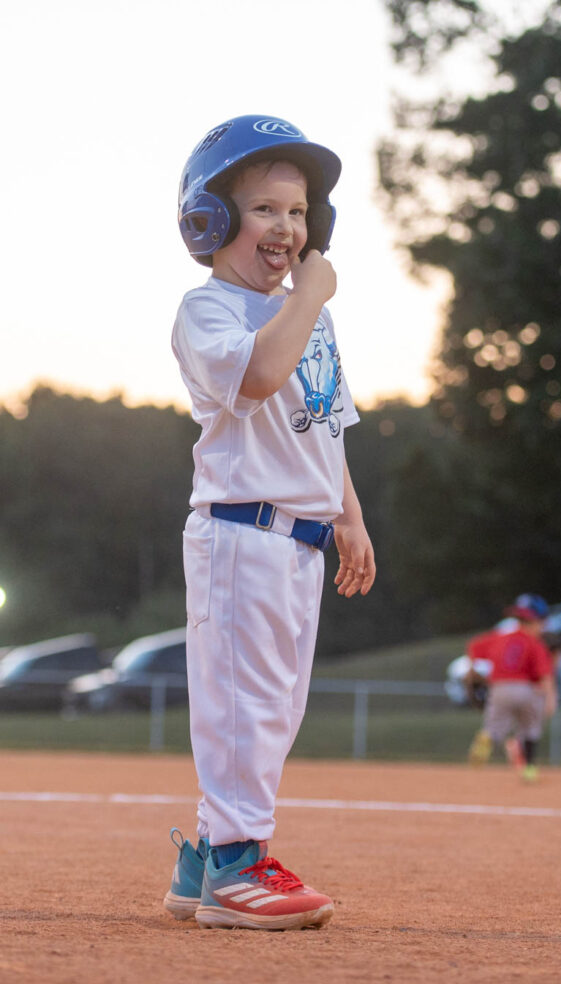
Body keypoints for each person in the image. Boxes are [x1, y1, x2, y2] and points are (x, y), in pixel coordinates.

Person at [163, 115, 375, 931]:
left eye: (297, 211)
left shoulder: (307, 316)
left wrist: (349, 517)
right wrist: (309, 296)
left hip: (301, 541)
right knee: (243, 705)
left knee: (275, 711)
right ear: (209, 219)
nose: (286, 227)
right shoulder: (207, 310)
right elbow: (256, 379)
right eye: (263, 209)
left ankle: (204, 858)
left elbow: (324, 425)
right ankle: (235, 865)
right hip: (240, 532)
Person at [465, 594, 557, 782]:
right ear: (535, 622)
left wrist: (472, 669)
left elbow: (474, 646)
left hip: (499, 688)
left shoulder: (501, 637)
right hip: (525, 689)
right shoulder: (535, 644)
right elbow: (545, 675)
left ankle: (486, 738)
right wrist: (550, 699)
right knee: (530, 728)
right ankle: (529, 768)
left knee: (494, 726)